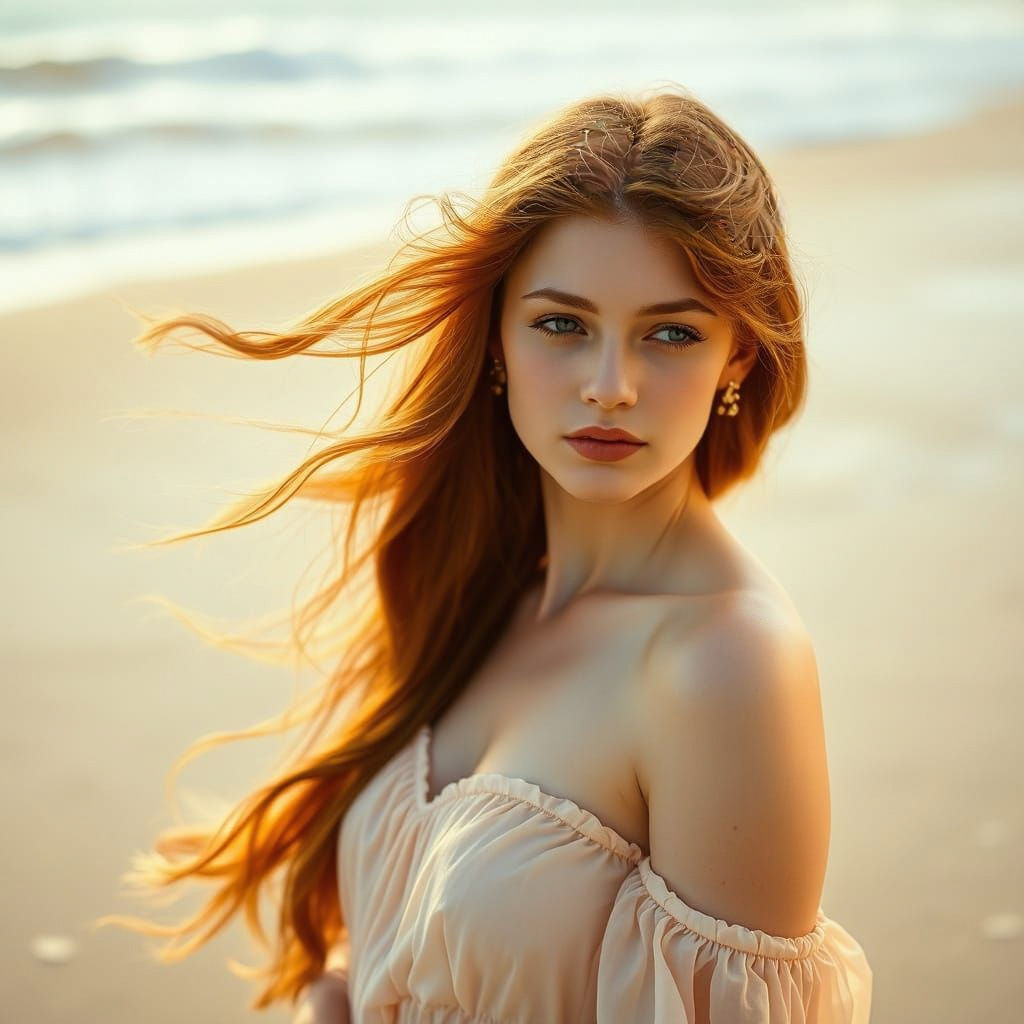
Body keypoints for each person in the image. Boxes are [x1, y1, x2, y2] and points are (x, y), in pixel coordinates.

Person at [96, 85, 873, 1022]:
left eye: (671, 333)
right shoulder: (481, 586)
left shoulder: (724, 664)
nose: (610, 386)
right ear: (497, 340)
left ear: (737, 361)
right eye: (562, 324)